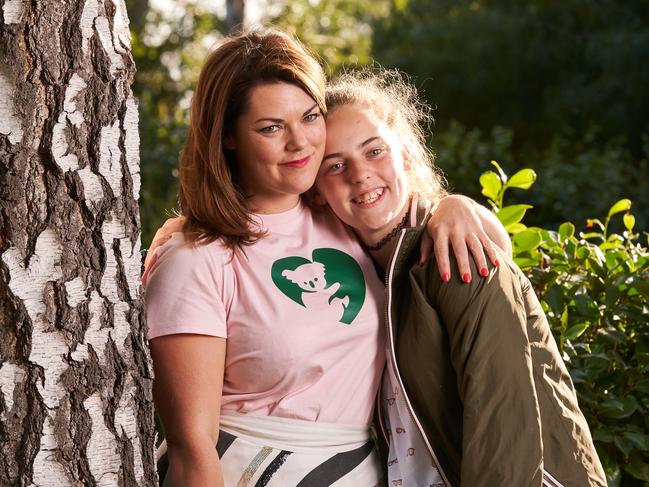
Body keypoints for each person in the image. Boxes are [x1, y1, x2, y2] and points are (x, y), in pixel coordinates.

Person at [143, 30, 511, 487]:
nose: (299, 143)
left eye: (310, 117)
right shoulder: (196, 259)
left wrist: (453, 205)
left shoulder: (340, 216)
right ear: (229, 137)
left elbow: (498, 255)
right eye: (271, 127)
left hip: (357, 467)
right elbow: (190, 445)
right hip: (247, 471)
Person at [313, 69, 607, 486]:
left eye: (374, 151)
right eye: (335, 164)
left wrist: (451, 206)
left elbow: (503, 420)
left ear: (407, 155)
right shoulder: (355, 279)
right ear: (317, 189)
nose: (359, 174)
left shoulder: (457, 252)